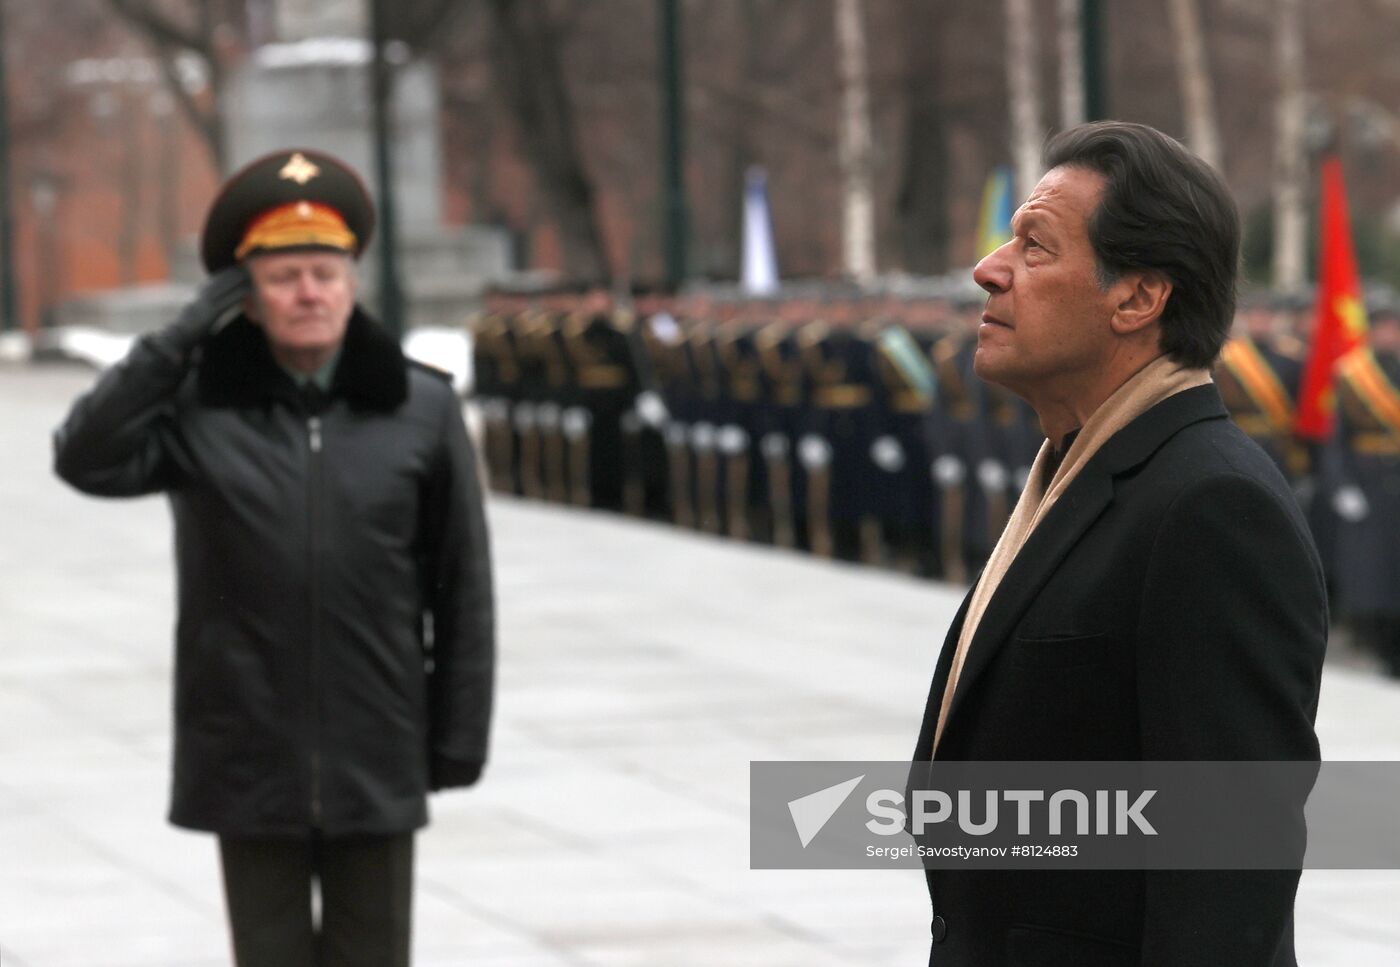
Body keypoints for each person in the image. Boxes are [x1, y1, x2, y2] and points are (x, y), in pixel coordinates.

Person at [53, 148, 495, 967]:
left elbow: (462, 586)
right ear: (245, 298)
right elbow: (85, 458)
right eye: (284, 275)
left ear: (352, 281)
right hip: (247, 746)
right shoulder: (199, 411)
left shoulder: (419, 407)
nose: (309, 292)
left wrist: (458, 731)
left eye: (325, 272)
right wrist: (178, 341)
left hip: (377, 745)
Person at [911, 122, 1327, 966]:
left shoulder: (1210, 506)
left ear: (1137, 298)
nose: (988, 268)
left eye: (1034, 247)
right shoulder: (1081, 472)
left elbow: (1227, 878)